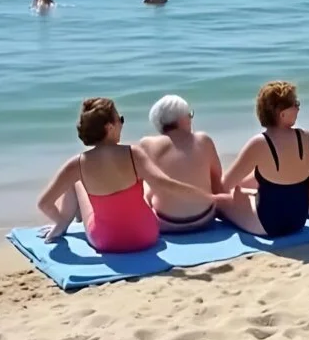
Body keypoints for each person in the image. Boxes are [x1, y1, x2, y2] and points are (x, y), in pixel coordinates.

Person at [37, 98, 224, 253]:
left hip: (106, 242)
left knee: (77, 184)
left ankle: (62, 226)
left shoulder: (77, 164)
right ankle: (72, 218)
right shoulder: (134, 154)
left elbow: (44, 204)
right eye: (121, 120)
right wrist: (205, 196)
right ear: (110, 127)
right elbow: (165, 184)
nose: (122, 125)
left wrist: (59, 218)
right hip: (147, 236)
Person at [216, 81, 309, 237]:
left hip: (269, 226)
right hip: (299, 221)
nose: (298, 108)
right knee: (251, 191)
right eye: (296, 104)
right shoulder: (306, 137)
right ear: (282, 114)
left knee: (219, 201)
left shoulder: (260, 143)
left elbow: (225, 184)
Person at [140, 95, 224, 233]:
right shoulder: (203, 140)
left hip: (166, 222)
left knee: (148, 188)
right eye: (190, 115)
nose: (191, 119)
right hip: (204, 218)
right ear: (182, 119)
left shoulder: (147, 144)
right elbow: (216, 178)